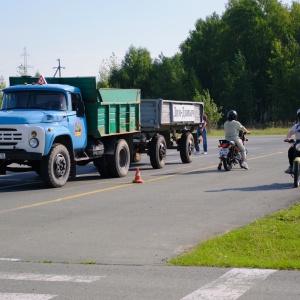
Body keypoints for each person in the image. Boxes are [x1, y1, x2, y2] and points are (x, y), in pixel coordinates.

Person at [283, 109, 300, 174]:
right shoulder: (296, 126)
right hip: (298, 144)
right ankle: (291, 166)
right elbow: (290, 133)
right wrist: (288, 138)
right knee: (290, 150)